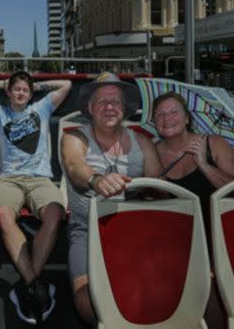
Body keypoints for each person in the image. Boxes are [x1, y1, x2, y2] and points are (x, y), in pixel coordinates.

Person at [0, 71, 71, 325]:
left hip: (40, 179)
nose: (21, 93)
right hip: (8, 179)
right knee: (2, 213)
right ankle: (36, 284)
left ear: (31, 93)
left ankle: (28, 283)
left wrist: (38, 83)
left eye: (25, 90)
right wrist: (2, 82)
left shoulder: (41, 108)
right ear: (9, 92)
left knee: (55, 212)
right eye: (16, 89)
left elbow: (66, 84)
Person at [60, 72, 163, 325]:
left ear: (125, 109)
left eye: (115, 101)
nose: (109, 106)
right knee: (85, 298)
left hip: (135, 226)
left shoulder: (143, 143)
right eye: (102, 101)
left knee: (154, 287)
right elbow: (74, 167)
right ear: (90, 108)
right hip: (87, 226)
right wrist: (97, 180)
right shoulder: (74, 138)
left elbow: (161, 186)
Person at [152, 91, 234, 234]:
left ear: (187, 119)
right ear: (154, 123)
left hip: (219, 231)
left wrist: (205, 166)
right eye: (160, 114)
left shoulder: (214, 144)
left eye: (173, 111)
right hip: (175, 234)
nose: (167, 118)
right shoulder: (151, 153)